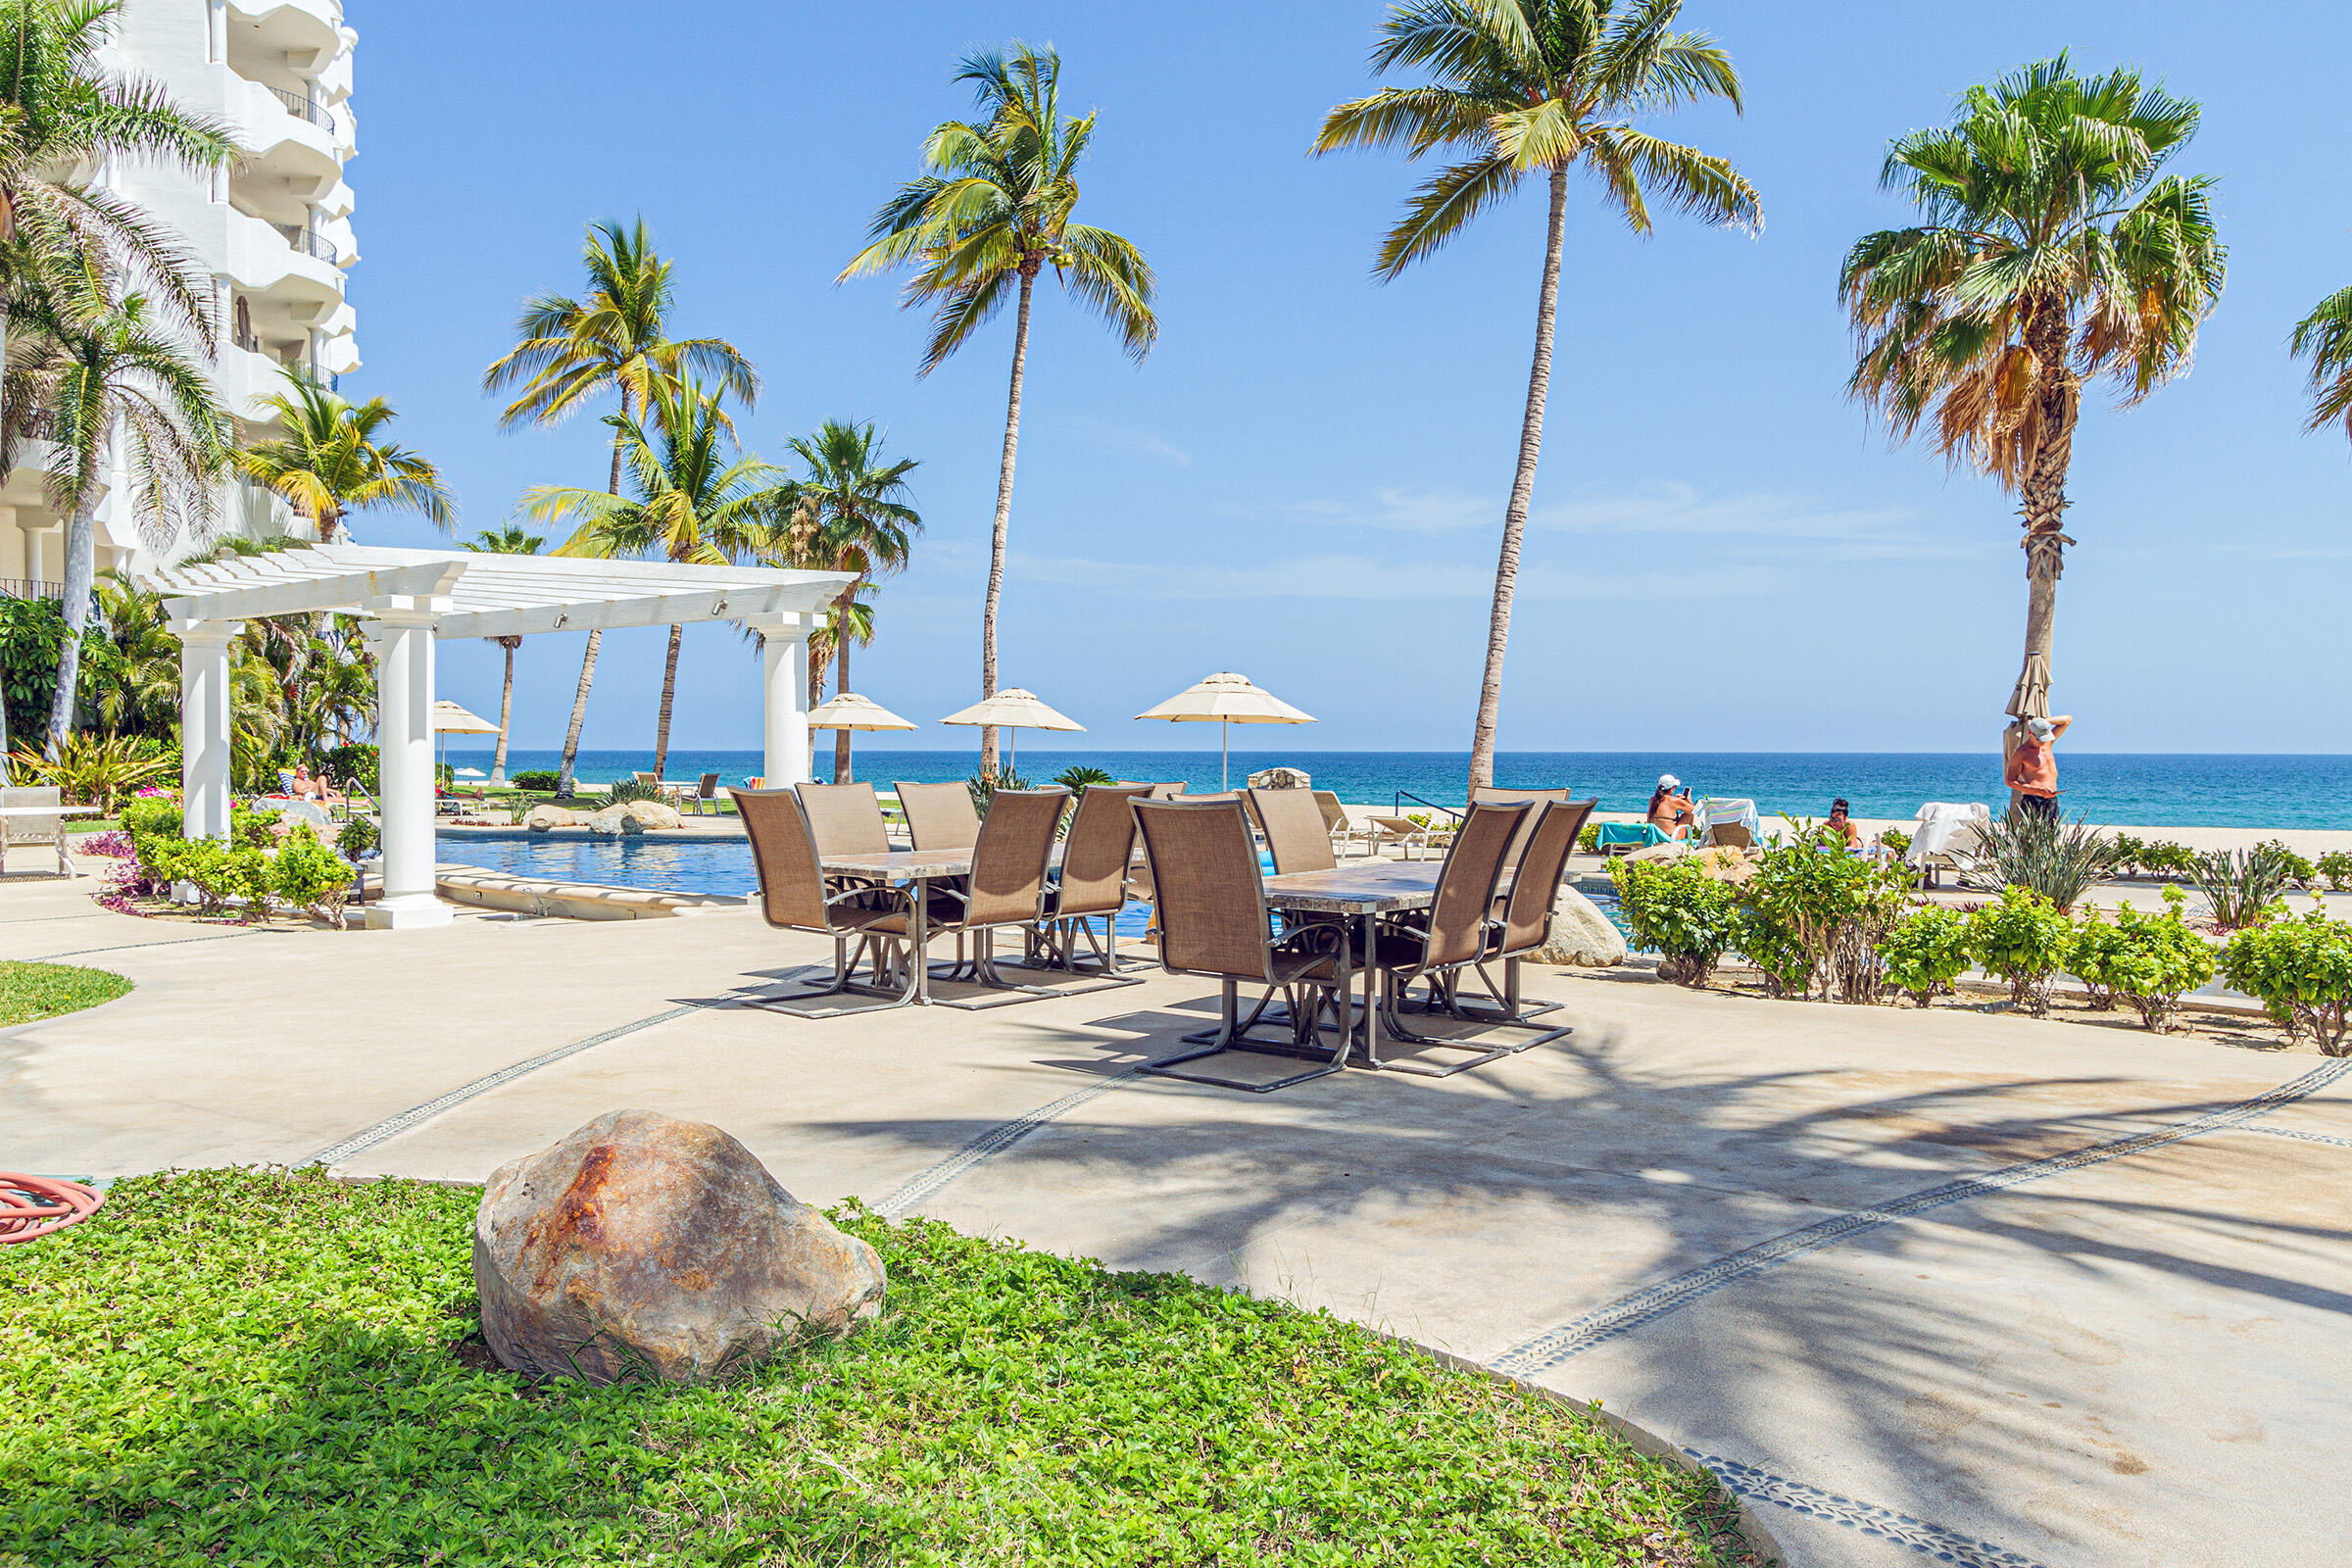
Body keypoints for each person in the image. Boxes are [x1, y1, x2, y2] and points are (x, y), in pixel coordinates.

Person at [2003, 714, 2071, 821]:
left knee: (2053, 831)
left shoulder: (2048, 743)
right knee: (2033, 831)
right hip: (2033, 801)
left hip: (2052, 800)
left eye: (2045, 737)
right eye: (2040, 739)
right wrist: (2038, 790)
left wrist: (2043, 723)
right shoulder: (2021, 753)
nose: (2043, 741)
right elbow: (2010, 781)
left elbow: (2067, 720)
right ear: (2030, 733)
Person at [1647, 774, 1695, 840]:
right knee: (1688, 814)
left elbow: (1666, 805)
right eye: (1675, 787)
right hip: (1672, 837)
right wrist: (1688, 800)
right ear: (1672, 788)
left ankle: (1688, 839)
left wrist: (1677, 800)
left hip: (1656, 836)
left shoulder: (1653, 800)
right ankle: (1688, 839)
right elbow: (1695, 810)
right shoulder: (1674, 801)